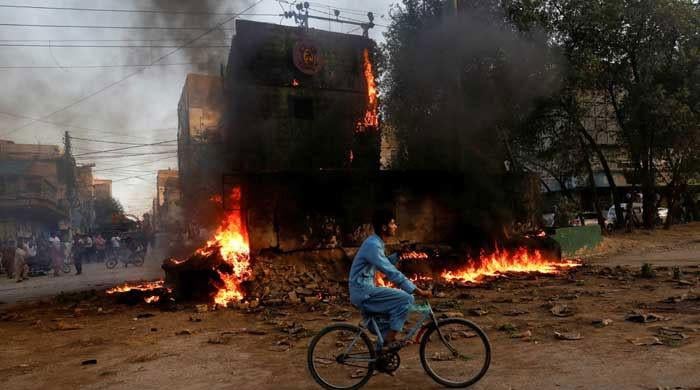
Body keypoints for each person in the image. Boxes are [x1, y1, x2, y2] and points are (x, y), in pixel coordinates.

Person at [348, 209, 431, 352]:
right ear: (384, 227)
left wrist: (399, 254)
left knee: (388, 321)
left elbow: (382, 264)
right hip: (364, 292)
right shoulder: (373, 245)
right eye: (392, 223)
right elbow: (390, 271)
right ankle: (389, 340)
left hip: (364, 290)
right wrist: (417, 290)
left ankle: (381, 357)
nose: (395, 226)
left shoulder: (375, 243)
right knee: (406, 299)